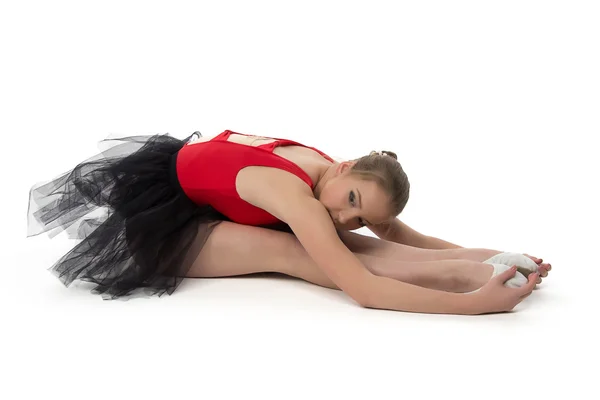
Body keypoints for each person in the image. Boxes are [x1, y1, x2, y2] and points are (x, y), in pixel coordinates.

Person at [26, 129, 551, 314]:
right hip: (170, 220)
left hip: (212, 198)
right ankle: (461, 278)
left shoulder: (327, 173)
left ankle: (476, 267)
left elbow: (392, 233)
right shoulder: (294, 191)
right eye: (350, 198)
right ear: (344, 165)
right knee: (298, 253)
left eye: (357, 212)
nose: (344, 215)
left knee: (343, 240)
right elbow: (361, 289)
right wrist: (470, 303)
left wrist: (483, 251)